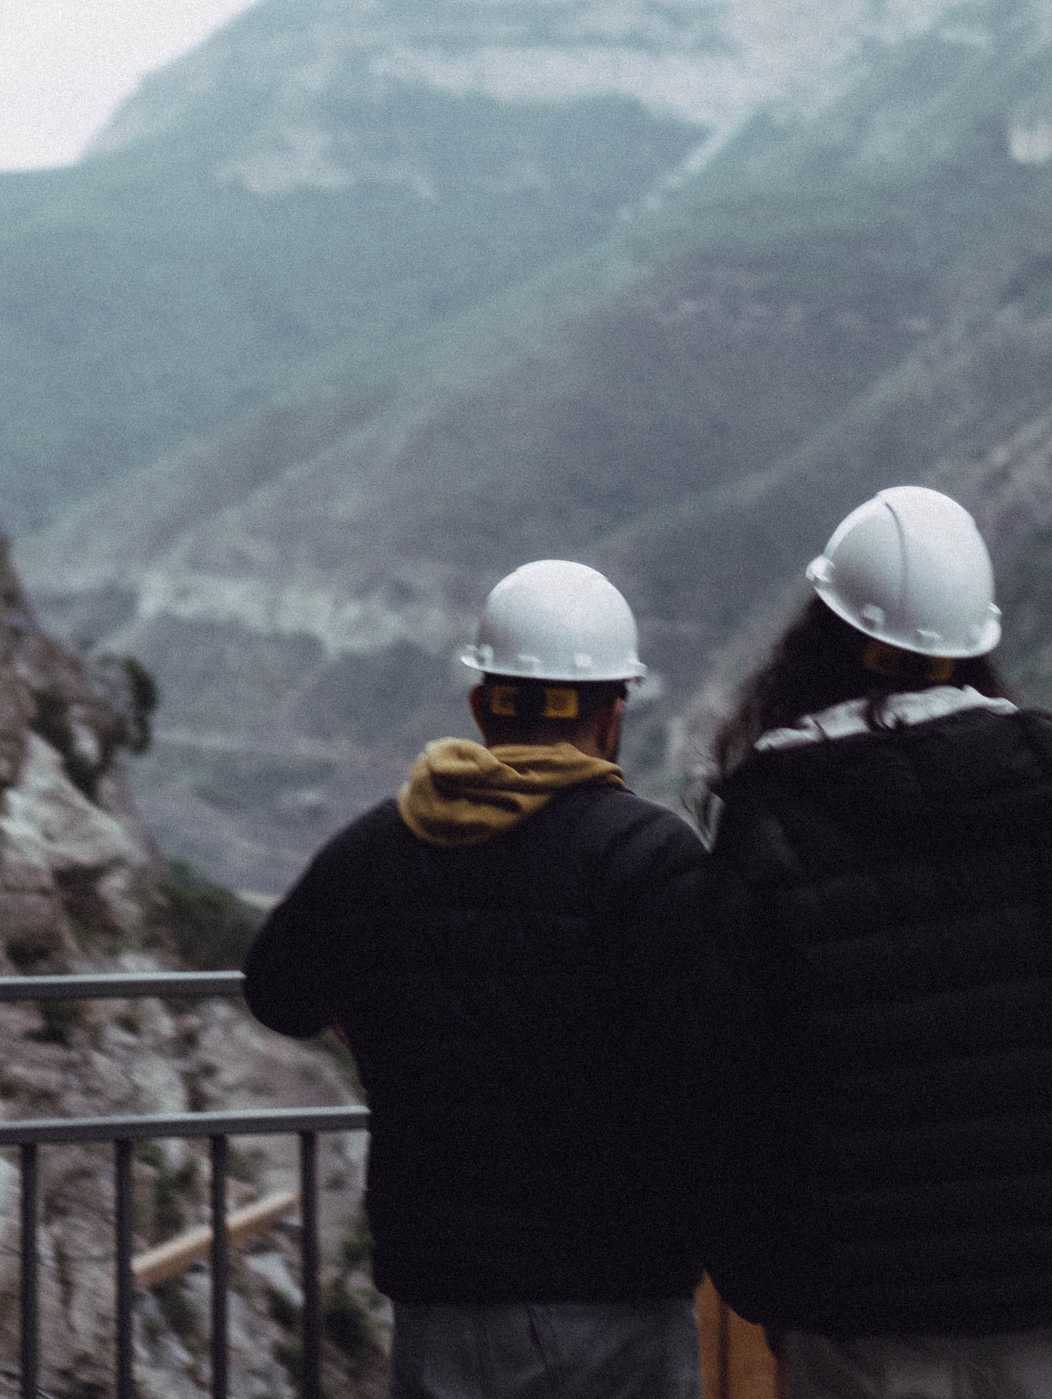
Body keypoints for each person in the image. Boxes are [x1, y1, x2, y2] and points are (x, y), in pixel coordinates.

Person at [693, 487, 1052, 1399]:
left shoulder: (770, 813)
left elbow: (722, 1072)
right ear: (973, 640)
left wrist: (765, 1277)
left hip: (860, 1295)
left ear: (822, 635)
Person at [244, 559, 707, 1399]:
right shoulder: (653, 855)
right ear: (613, 714)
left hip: (446, 1294)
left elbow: (277, 989)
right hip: (619, 1288)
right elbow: (710, 1058)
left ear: (482, 705)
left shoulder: (379, 846)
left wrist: (373, 1011)